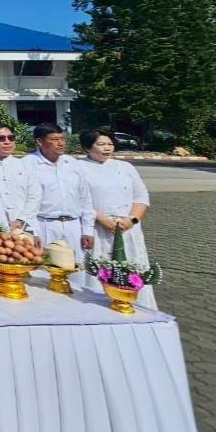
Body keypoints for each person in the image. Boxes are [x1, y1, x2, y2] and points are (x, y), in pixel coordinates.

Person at [77, 130, 154, 306]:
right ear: (87, 147)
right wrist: (103, 220)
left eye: (110, 144)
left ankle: (135, 305)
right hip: (99, 228)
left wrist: (131, 220)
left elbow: (141, 197)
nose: (107, 148)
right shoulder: (79, 168)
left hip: (127, 228)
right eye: (101, 144)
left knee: (130, 270)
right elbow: (79, 199)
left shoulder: (125, 167)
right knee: (100, 270)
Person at [24, 123, 95, 270]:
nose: (61, 143)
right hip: (45, 226)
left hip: (74, 227)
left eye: (62, 139)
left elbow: (85, 198)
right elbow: (25, 202)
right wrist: (33, 232)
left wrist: (88, 229)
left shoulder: (73, 164)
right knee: (45, 273)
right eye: (55, 139)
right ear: (39, 141)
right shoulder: (27, 164)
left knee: (77, 272)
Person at [0, 122, 40, 233]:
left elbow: (34, 196)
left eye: (11, 138)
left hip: (24, 227)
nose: (7, 142)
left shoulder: (25, 165)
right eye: (1, 138)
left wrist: (21, 220)